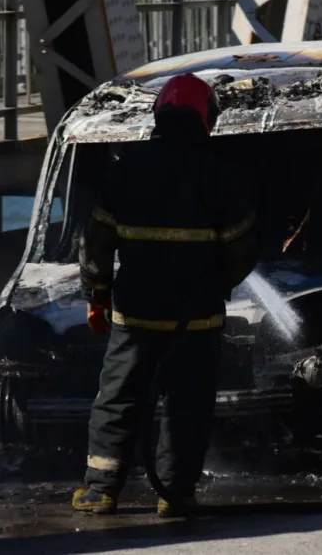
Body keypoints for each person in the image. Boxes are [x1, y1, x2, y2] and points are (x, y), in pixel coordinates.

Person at [72, 72, 259, 517]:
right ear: (204, 118)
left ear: (160, 114)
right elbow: (243, 249)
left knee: (119, 398)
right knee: (187, 404)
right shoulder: (219, 176)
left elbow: (95, 243)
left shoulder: (126, 170)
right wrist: (216, 285)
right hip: (195, 318)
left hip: (134, 313)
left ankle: (101, 490)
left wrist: (96, 296)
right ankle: (174, 494)